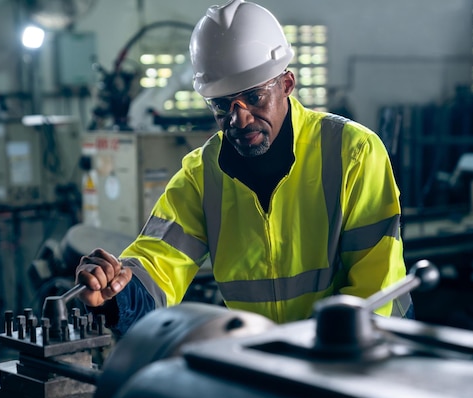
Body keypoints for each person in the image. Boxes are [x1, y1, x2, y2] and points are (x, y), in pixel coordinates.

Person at [75, 0, 411, 337]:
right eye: (222, 105)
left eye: (254, 97)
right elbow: (156, 263)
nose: (239, 118)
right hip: (266, 358)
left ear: (287, 84)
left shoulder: (352, 152)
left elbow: (375, 287)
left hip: (363, 352)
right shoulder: (202, 176)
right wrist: (115, 291)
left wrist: (318, 359)